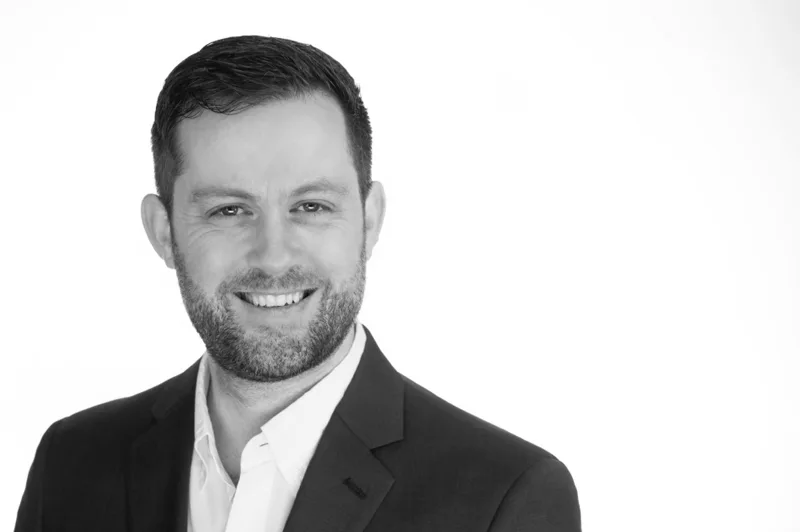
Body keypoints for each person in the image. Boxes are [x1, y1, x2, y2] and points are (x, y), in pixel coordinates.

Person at [15, 35, 581, 532]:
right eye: (229, 211)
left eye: (311, 205)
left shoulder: (505, 500)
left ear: (370, 219)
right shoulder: (72, 464)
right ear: (163, 233)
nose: (274, 253)